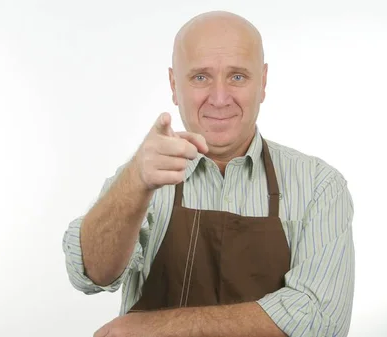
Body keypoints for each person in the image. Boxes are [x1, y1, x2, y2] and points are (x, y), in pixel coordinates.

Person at [62, 10, 355, 337]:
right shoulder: (143, 176)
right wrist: (134, 183)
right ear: (174, 85)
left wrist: (155, 329)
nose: (219, 98)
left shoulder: (317, 185)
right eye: (200, 77)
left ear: (263, 82)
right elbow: (88, 273)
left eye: (237, 77)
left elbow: (320, 319)